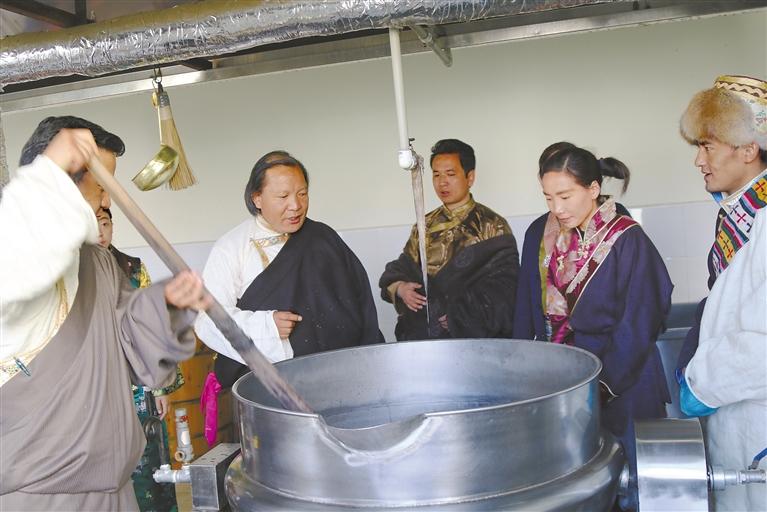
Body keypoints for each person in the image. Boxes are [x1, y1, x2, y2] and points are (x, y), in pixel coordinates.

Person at [0, 116, 209, 511]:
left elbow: (132, 344)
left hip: (115, 485)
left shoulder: (99, 262)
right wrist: (51, 169)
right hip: (39, 491)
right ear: (61, 180)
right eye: (101, 186)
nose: (108, 201)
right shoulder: (13, 245)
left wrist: (165, 308)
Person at [514, 142, 672, 510]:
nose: (557, 208)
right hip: (579, 376)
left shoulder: (627, 237)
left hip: (625, 375)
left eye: (565, 196)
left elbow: (642, 318)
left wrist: (604, 385)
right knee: (589, 486)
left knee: (636, 482)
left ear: (594, 188)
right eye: (548, 198)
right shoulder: (557, 239)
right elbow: (542, 310)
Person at [194, 150, 383, 435]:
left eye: (302, 194)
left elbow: (362, 304)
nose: (295, 206)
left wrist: (371, 365)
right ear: (257, 198)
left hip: (341, 385)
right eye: (283, 196)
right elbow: (207, 321)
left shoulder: (324, 239)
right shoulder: (231, 248)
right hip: (270, 392)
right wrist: (266, 325)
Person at [676, 75, 767, 511]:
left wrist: (702, 381)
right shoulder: (742, 215)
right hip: (738, 421)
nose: (699, 160)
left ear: (748, 149)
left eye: (707, 146)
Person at [379, 139, 519, 340]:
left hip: (476, 340)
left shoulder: (493, 225)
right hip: (426, 339)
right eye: (436, 174)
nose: (442, 182)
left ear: (470, 177)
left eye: (450, 174)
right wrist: (400, 288)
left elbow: (506, 288)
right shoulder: (424, 225)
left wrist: (461, 314)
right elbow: (402, 268)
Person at [97, 207, 184, 512]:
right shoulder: (73, 272)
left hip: (138, 382)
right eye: (92, 224)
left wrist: (160, 387)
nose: (100, 232)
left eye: (105, 223)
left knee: (150, 458)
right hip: (98, 381)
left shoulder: (132, 268)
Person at [513, 142, 632, 341]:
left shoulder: (617, 222)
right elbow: (526, 296)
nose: (558, 208)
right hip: (552, 341)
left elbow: (637, 300)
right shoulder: (537, 230)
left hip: (607, 342)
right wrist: (520, 349)